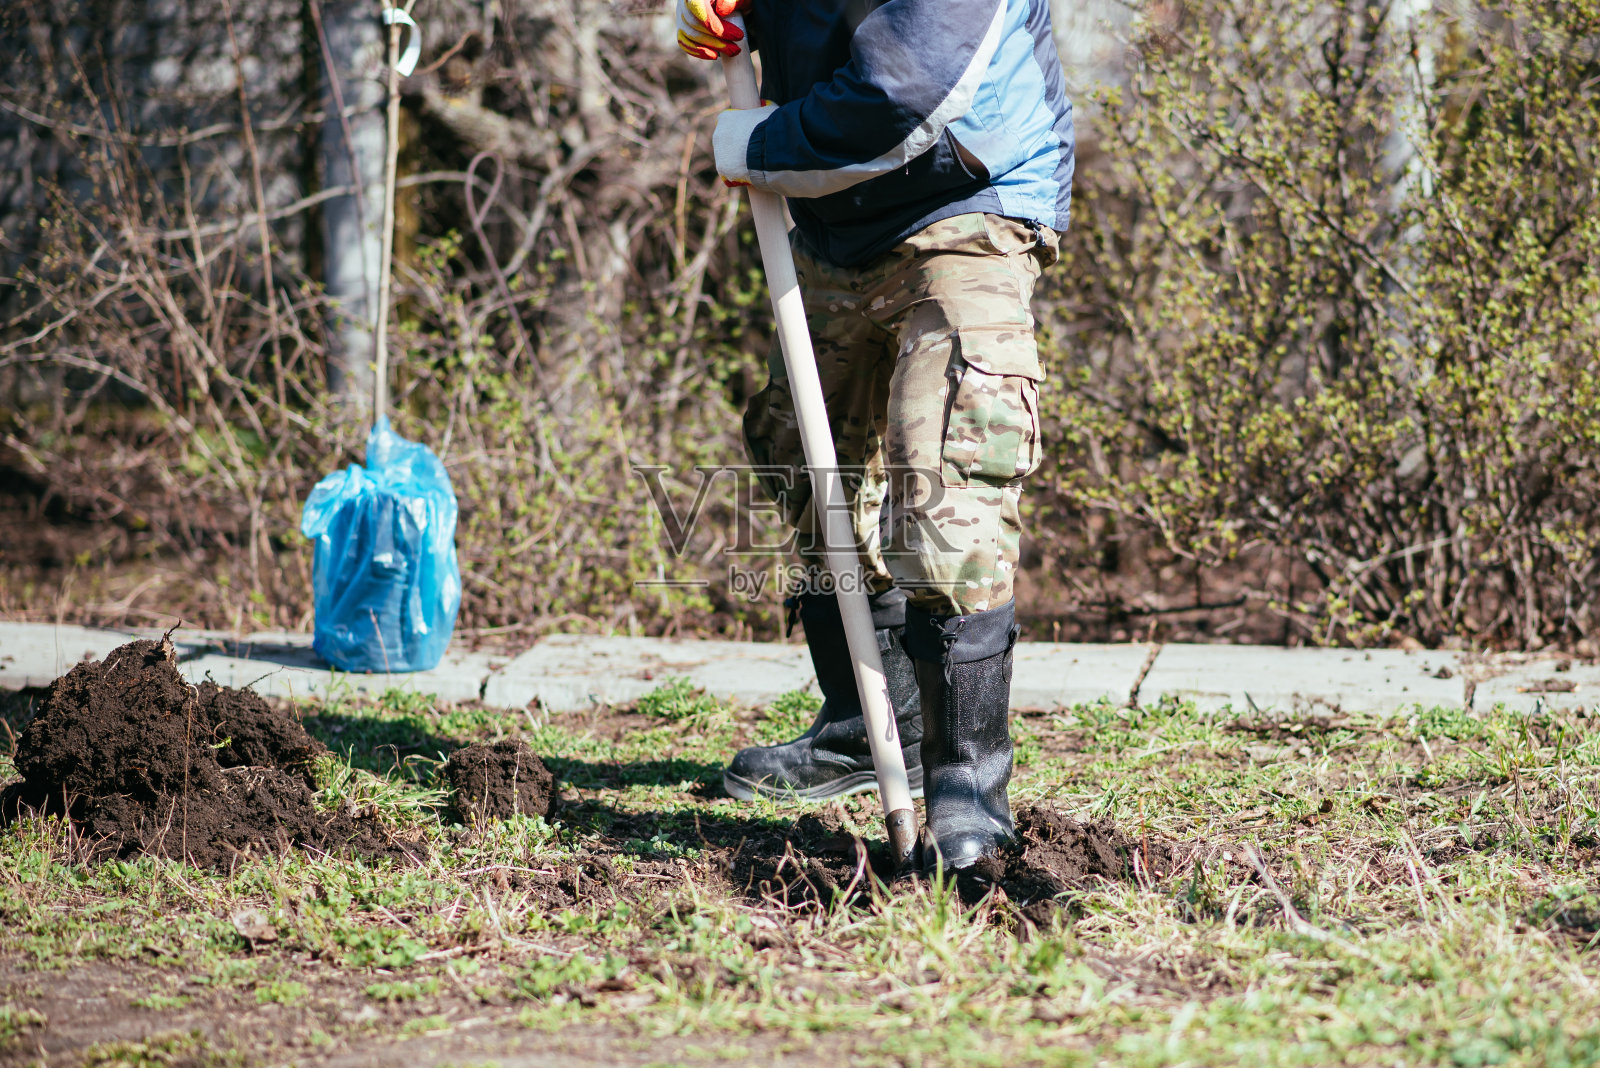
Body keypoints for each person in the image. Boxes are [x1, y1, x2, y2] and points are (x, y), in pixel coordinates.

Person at [675, 0, 1074, 869]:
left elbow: (904, 86)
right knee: (799, 453)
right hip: (837, 218)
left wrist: (759, 144)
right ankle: (869, 724)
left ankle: (967, 795)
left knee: (951, 483)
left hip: (969, 205)